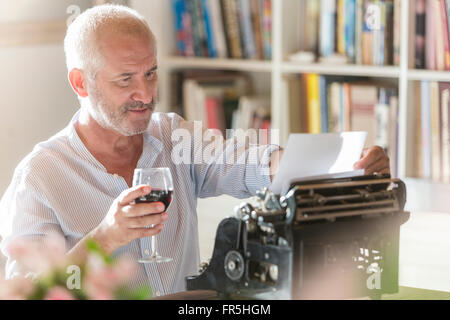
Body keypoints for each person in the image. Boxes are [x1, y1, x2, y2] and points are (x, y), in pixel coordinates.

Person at [0, 4, 389, 296]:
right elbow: (28, 292)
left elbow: (242, 162)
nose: (146, 93)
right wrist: (105, 238)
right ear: (80, 83)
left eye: (151, 73)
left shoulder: (171, 135)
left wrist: (342, 165)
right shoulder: (39, 177)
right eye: (126, 79)